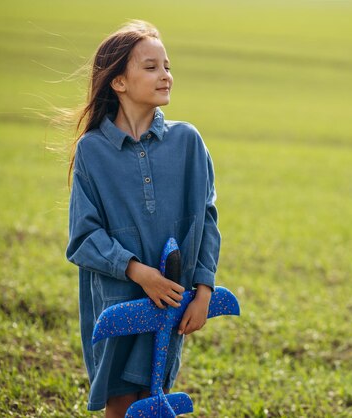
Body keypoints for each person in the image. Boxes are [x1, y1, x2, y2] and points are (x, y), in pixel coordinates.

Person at [65, 20, 220, 417]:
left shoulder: (189, 142)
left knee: (154, 397)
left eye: (167, 66)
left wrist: (203, 291)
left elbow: (207, 222)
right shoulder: (92, 151)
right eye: (151, 67)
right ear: (118, 81)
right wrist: (138, 272)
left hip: (171, 300)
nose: (165, 75)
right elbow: (83, 237)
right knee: (120, 403)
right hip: (117, 298)